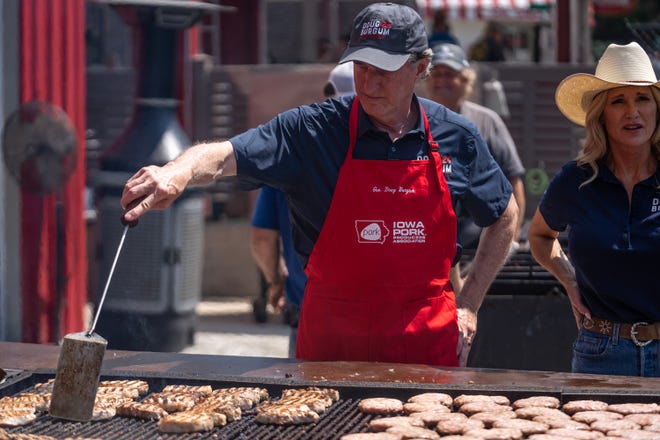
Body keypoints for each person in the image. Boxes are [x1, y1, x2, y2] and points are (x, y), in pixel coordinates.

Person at [121, 3, 518, 367]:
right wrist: (176, 171)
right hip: (332, 342)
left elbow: (505, 216)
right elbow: (226, 154)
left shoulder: (457, 137)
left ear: (420, 67)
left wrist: (469, 304)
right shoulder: (311, 130)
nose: (369, 82)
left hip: (427, 342)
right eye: (362, 66)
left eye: (384, 69)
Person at [528, 42, 660, 377]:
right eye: (619, 101)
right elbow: (541, 236)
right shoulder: (576, 179)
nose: (632, 111)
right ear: (601, 113)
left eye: (642, 98)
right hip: (600, 351)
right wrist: (568, 280)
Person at [427, 43, 525, 291]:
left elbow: (513, 180)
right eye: (436, 73)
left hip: (477, 247)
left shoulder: (485, 121)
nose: (442, 81)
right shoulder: (414, 120)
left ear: (465, 79)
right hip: (429, 250)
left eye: (449, 74)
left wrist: (510, 242)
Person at [250, 186, 305, 357]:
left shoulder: (286, 163)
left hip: (308, 313)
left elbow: (262, 238)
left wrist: (275, 282)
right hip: (380, 316)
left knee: (307, 382)